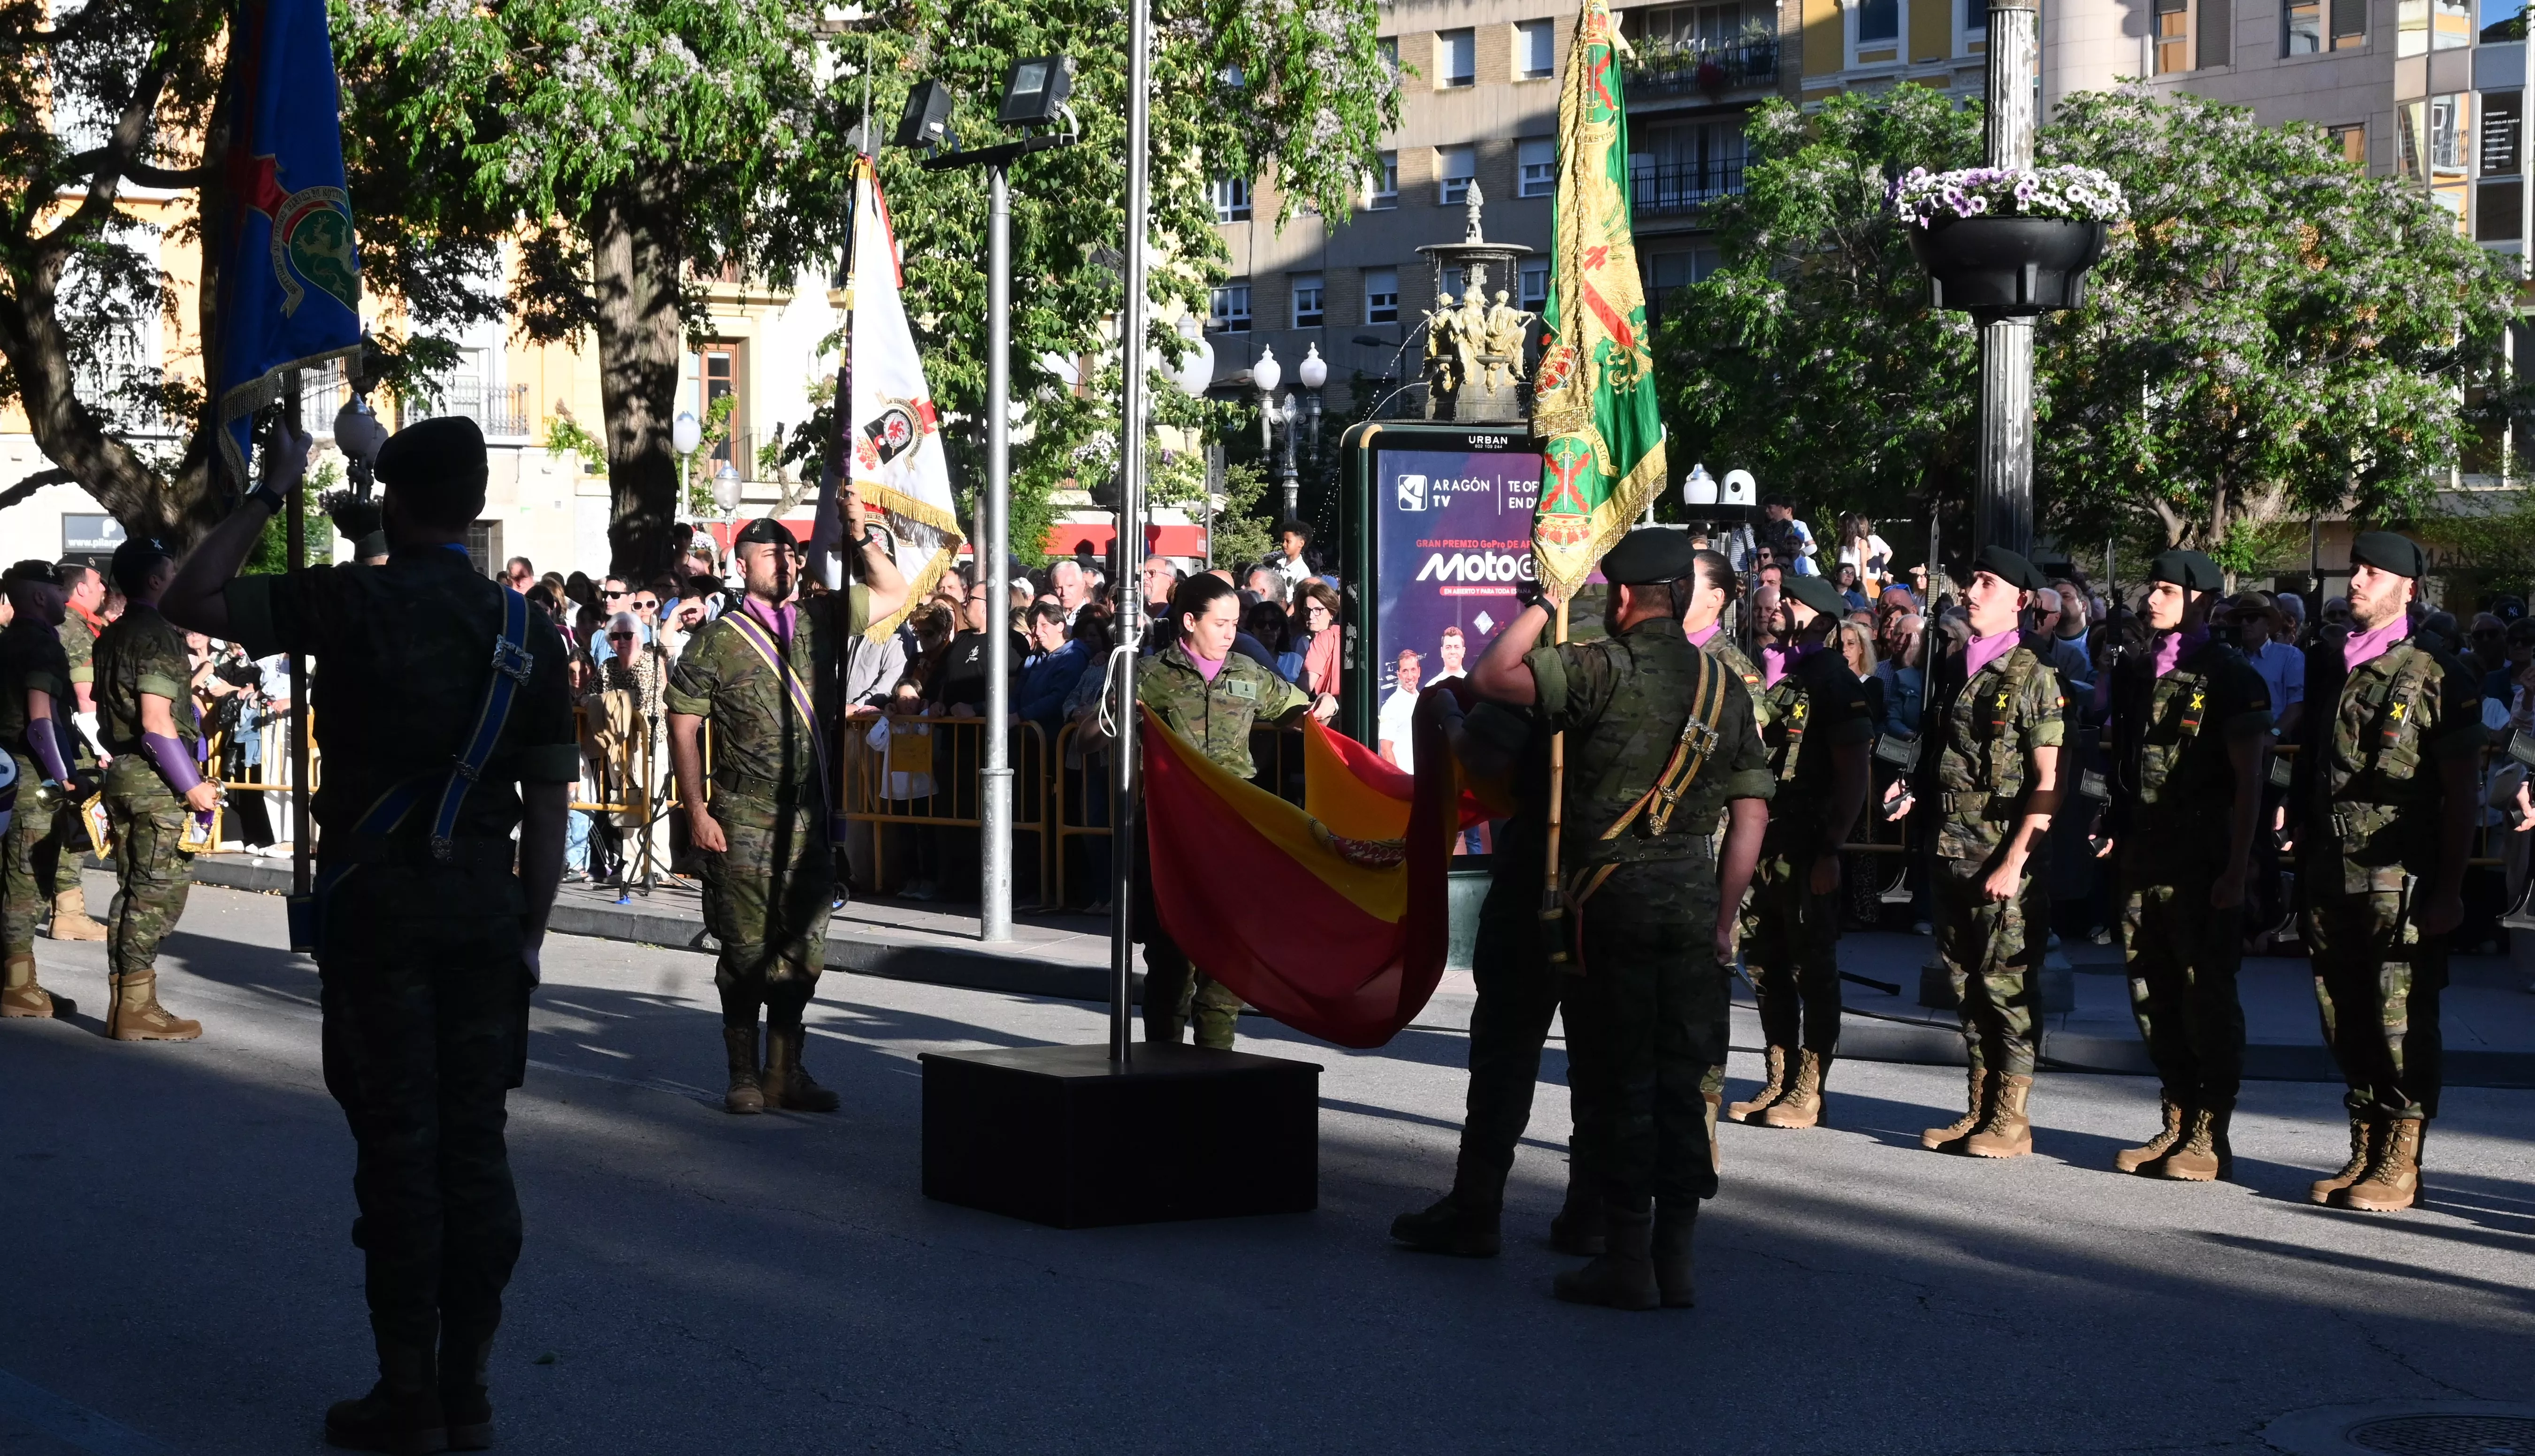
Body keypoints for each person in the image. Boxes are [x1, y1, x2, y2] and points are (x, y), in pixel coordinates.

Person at [161, 413, 577, 1455]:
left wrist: (273, 489)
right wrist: (528, 931)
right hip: (485, 913)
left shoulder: (352, 600)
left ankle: (407, 1392)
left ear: (392, 502)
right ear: (477, 505)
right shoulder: (531, 634)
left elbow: (187, 596)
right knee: (475, 1151)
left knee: (399, 1153)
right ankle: (469, 1392)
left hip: (381, 911)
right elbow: (549, 808)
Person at [1465, 529, 1770, 1311]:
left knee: (1620, 1077)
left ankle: (1627, 1259)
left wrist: (1545, 602)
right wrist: (1725, 915)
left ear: (1628, 595)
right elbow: (1749, 814)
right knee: (1682, 1082)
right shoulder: (1723, 684)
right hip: (1694, 900)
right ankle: (1679, 1262)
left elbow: (1492, 677)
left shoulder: (1601, 666)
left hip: (1610, 905)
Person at [667, 504, 908, 1116]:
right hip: (743, 818)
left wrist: (858, 533)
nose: (785, 560)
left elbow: (892, 590)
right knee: (746, 953)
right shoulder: (717, 641)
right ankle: (744, 1073)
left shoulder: (822, 619)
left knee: (804, 953)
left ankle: (787, 1068)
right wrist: (695, 809)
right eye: (769, 552)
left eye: (790, 551)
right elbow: (683, 724)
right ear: (740, 564)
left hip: (809, 822)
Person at [2290, 532, 2481, 1214]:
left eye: (2373, 572)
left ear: (2409, 588)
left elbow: (2461, 794)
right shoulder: (2331, 664)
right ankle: (2367, 1144)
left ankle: (2402, 1158)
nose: (2357, 580)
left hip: (2399, 881)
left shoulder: (2434, 672)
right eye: (2356, 570)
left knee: (2399, 1021)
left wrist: (2451, 890)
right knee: (2342, 1017)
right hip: (2329, 872)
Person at [2096, 551, 2272, 1181]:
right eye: (2152, 587)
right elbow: (2127, 764)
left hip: (2202, 860)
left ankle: (2208, 1131)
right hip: (2145, 856)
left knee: (2207, 995)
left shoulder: (2229, 675)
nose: (2151, 599)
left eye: (2167, 589)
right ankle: (2175, 1117)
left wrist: (2238, 866)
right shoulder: (2142, 669)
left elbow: (2252, 781)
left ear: (2202, 600)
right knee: (2152, 992)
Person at [1895, 545, 2066, 1160]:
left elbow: (2050, 778)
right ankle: (1979, 1107)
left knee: (2007, 985)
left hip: (2000, 856)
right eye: (1972, 581)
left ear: (2019, 601)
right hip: (1949, 851)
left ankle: (2011, 1118)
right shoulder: (1957, 666)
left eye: (1985, 583)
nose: (1970, 592)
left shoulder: (2034, 677)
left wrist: (2016, 859)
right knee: (1966, 985)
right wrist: (1911, 787)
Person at [1135, 574, 1338, 1047]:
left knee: (1227, 962)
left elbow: (1297, 710)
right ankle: (1160, 1076)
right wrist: (1110, 715)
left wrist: (1320, 706)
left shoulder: (1246, 673)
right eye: (1221, 623)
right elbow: (1092, 730)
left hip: (1233, 834)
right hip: (1173, 837)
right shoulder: (1150, 676)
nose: (1231, 633)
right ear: (1189, 621)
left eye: (1235, 623)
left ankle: (1214, 1074)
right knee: (1170, 964)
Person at [1729, 572, 1873, 1130]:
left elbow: (1853, 775)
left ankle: (1809, 1088)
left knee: (1813, 968)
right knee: (1767, 964)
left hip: (1809, 845)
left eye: (1789, 602)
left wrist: (1832, 849)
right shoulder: (1791, 677)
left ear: (1819, 616)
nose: (1778, 608)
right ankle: (1780, 1077)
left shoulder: (1833, 681)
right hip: (1769, 842)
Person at [90, 536, 224, 1041]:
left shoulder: (112, 636)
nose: (179, 581)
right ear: (154, 581)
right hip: (155, 781)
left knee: (134, 893)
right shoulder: (157, 637)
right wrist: (192, 788)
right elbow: (155, 722)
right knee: (154, 897)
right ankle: (135, 1010)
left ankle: (129, 1003)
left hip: (125, 774)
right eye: (172, 572)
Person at [0, 561, 83, 1018]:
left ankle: (14, 978)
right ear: (38, 597)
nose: (65, 599)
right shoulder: (40, 647)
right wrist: (65, 776)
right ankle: (17, 988)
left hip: (3, 770)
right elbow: (40, 723)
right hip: (29, 775)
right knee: (25, 880)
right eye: (57, 592)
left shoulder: (7, 641)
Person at [47, 560, 109, 941]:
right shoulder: (78, 630)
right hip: (77, 744)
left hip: (48, 741)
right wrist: (105, 746)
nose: (104, 589)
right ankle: (68, 913)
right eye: (99, 583)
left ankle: (59, 908)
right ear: (81, 589)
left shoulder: (48, 625)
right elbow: (87, 699)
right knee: (76, 826)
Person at [1293, 581, 1343, 697]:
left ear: (1332, 612)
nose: (1311, 616)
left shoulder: (1323, 638)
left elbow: (1304, 687)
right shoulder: (1344, 634)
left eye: (1318, 610)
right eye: (1307, 610)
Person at [1377, 649, 1422, 770]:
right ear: (1399, 675)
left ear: (1419, 672)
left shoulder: (1421, 700)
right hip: (1405, 780)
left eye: (1413, 670)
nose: (1409, 676)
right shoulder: (1392, 706)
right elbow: (1386, 750)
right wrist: (1399, 781)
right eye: (1405, 671)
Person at [1265, 519, 1316, 592]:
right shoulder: (1278, 565)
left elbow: (1299, 598)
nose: (1284, 544)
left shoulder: (1302, 572)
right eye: (1283, 541)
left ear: (1301, 544)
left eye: (1288, 541)